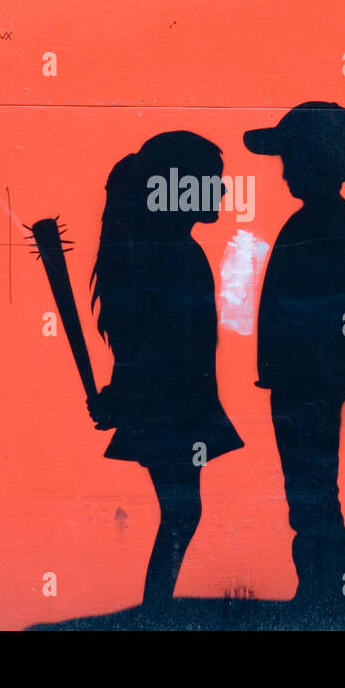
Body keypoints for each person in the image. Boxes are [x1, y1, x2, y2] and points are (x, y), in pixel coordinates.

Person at [88, 131, 244, 607]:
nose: (220, 192)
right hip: (172, 409)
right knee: (182, 512)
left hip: (169, 405)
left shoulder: (163, 252)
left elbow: (144, 341)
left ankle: (157, 608)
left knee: (181, 512)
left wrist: (119, 395)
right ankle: (156, 609)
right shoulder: (174, 257)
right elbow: (156, 344)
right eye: (211, 182)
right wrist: (127, 396)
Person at [244, 102, 345, 609]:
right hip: (305, 379)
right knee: (310, 488)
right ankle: (323, 591)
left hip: (307, 382)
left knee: (311, 488)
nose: (284, 169)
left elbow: (322, 309)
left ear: (318, 160)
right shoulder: (322, 220)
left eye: (292, 157)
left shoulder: (321, 223)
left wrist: (304, 368)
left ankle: (329, 595)